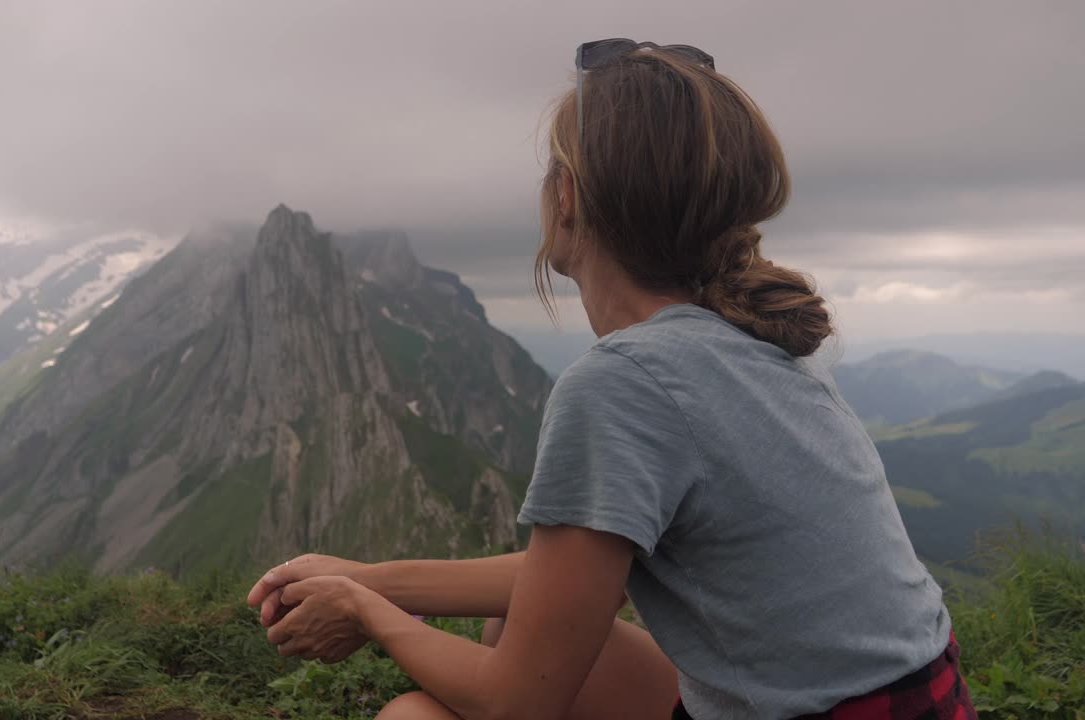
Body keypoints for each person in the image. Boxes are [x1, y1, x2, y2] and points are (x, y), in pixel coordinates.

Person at [247, 39, 976, 720]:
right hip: (921, 699)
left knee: (411, 717)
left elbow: (516, 706)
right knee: (517, 620)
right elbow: (564, 578)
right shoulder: (755, 337)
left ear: (566, 198)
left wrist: (365, 612)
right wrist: (368, 576)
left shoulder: (624, 382)